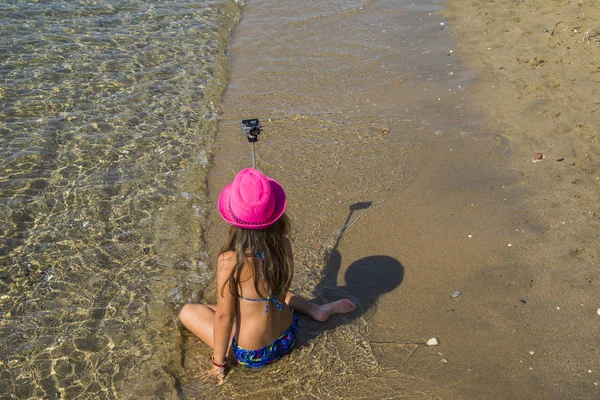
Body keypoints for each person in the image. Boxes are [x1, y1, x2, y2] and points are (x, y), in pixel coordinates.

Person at [179, 168, 356, 384]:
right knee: (270, 292)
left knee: (190, 311)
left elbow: (225, 317)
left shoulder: (229, 261)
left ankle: (227, 358)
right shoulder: (283, 245)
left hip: (255, 354)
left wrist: (218, 364)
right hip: (289, 336)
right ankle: (315, 309)